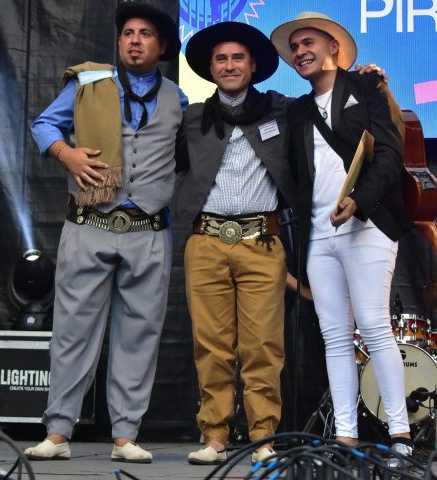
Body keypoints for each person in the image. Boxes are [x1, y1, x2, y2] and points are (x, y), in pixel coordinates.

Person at [24, 3, 187, 463]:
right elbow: (44, 125)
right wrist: (67, 154)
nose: (134, 40)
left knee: (139, 334)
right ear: (118, 42)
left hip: (148, 230)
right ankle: (58, 433)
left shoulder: (177, 99)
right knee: (73, 332)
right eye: (128, 33)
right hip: (90, 223)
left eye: (145, 34)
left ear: (162, 46)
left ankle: (125, 436)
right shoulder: (89, 83)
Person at [271, 12, 414, 464]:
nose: (300, 52)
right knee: (334, 336)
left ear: (333, 47)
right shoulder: (296, 110)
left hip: (368, 225)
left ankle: (401, 434)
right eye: (294, 47)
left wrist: (359, 200)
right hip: (318, 235)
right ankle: (346, 437)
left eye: (308, 42)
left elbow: (390, 154)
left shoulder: (368, 87)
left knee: (373, 326)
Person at [174, 22, 299, 466]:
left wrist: (367, 85)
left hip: (260, 241)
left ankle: (263, 439)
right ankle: (214, 436)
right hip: (206, 241)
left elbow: (326, 108)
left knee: (262, 346)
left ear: (253, 65)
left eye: (237, 58)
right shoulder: (193, 118)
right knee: (212, 345)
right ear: (210, 68)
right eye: (221, 59)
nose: (229, 65)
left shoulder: (281, 110)